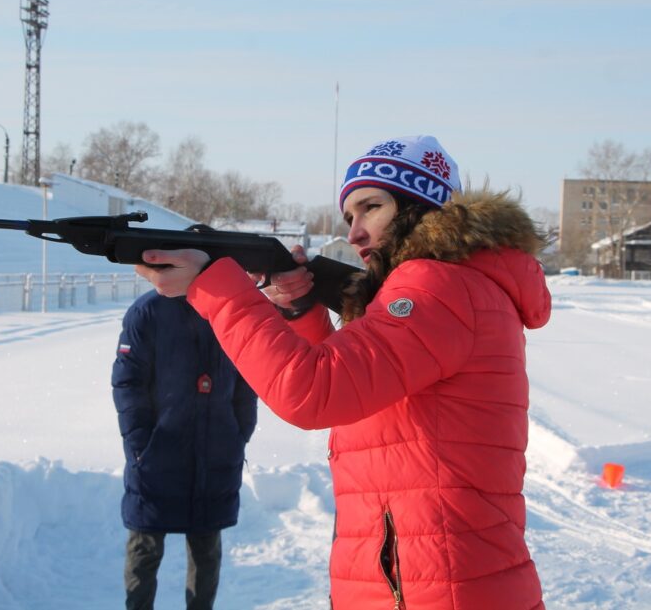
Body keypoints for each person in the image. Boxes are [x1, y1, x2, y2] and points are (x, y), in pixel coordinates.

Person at [135, 135, 550, 609]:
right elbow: (359, 395)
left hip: (434, 587)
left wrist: (216, 288)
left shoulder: (439, 286)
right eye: (349, 215)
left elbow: (313, 393)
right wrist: (304, 310)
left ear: (421, 207)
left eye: (371, 207)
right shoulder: (459, 284)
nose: (353, 232)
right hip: (434, 580)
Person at [111, 290, 258, 610]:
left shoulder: (228, 308)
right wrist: (140, 443)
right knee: (145, 545)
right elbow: (127, 381)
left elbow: (248, 377)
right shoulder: (147, 311)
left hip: (216, 450)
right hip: (156, 453)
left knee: (207, 548)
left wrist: (238, 433)